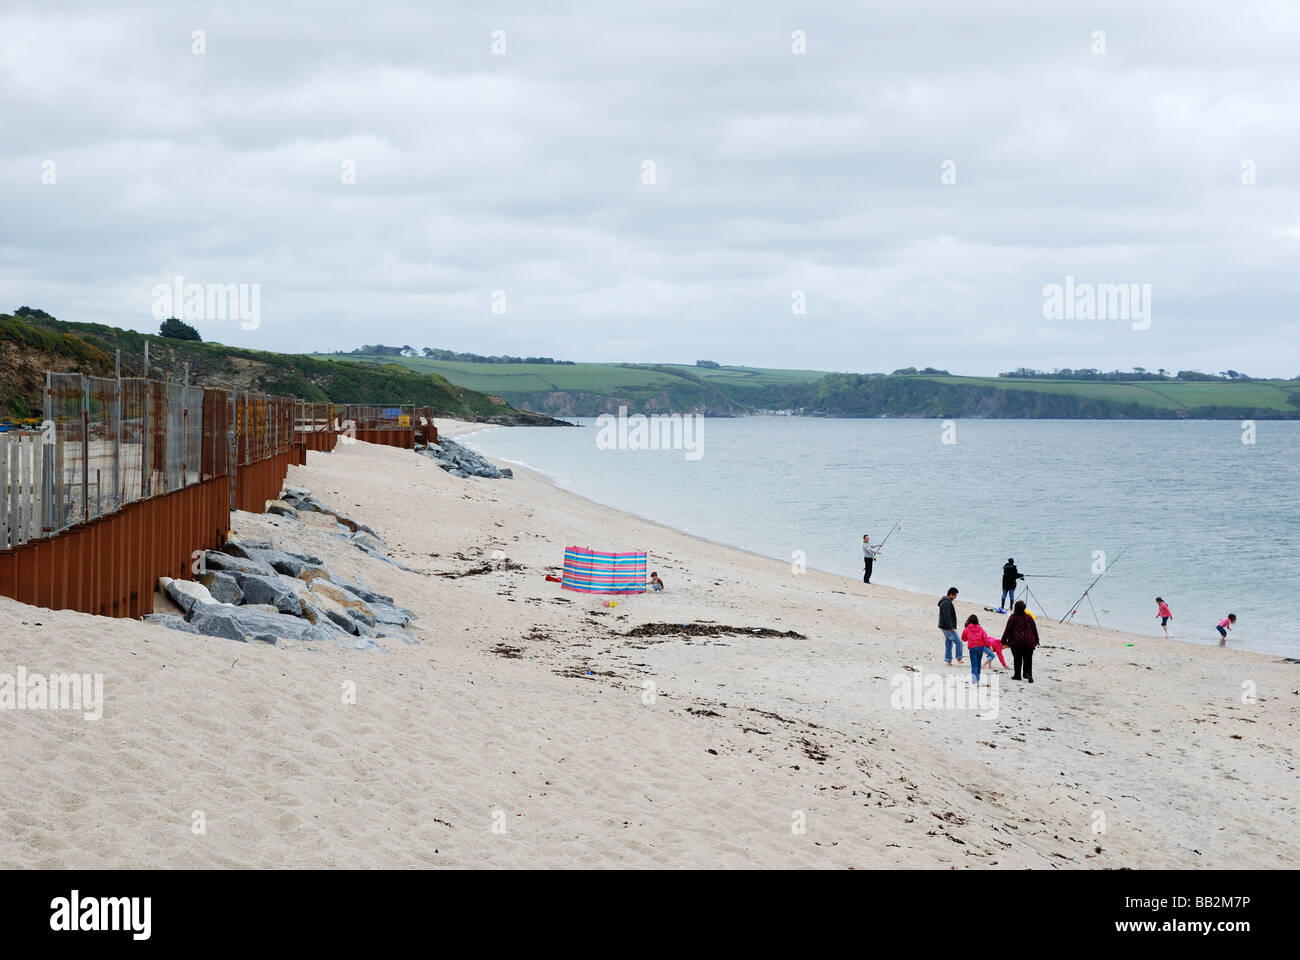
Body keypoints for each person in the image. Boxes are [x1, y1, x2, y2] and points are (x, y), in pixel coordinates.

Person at [1001, 599, 1040, 682]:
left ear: (1015, 608)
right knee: (1028, 659)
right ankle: (1028, 674)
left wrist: (1003, 641)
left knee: (1017, 659)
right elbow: (1034, 630)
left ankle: (1017, 675)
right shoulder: (1029, 618)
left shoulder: (1013, 617)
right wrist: (1036, 640)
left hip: (1016, 642)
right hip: (1029, 642)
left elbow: (1007, 630)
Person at [961, 614, 997, 683]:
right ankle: (978, 678)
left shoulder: (967, 629)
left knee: (974, 664)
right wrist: (990, 646)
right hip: (981, 647)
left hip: (972, 648)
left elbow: (963, 638)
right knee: (978, 663)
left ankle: (975, 680)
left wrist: (968, 638)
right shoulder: (981, 629)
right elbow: (986, 638)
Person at [938, 587, 963, 665]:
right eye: (955, 595)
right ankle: (959, 658)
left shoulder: (945, 601)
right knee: (959, 642)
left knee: (949, 642)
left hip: (944, 626)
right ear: (951, 594)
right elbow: (947, 616)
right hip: (947, 627)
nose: (955, 597)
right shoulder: (946, 603)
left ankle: (948, 661)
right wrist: (950, 627)